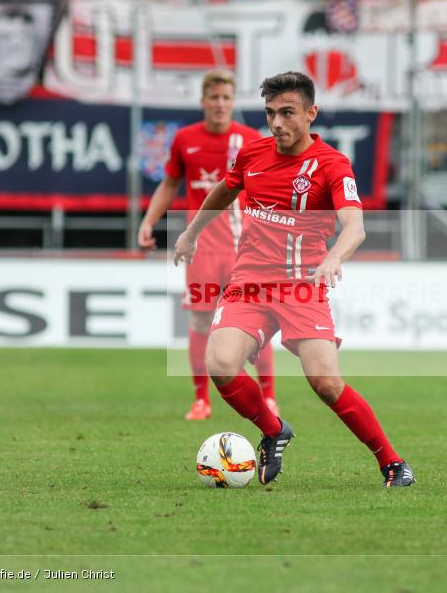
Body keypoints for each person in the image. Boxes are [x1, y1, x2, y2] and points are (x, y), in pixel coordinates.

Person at [173, 71, 415, 488]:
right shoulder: (252, 155)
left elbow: (354, 227)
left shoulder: (333, 165)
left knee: (325, 382)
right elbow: (223, 191)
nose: (277, 123)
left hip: (303, 284)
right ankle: (273, 430)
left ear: (311, 113)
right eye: (270, 113)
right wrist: (191, 232)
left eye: (287, 113)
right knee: (220, 362)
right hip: (249, 279)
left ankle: (392, 462)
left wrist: (334, 258)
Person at [139, 69, 277, 421]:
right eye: (213, 97)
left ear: (233, 102)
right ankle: (202, 400)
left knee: (255, 322)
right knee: (201, 323)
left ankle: (269, 396)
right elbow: (170, 184)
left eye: (226, 98)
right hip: (200, 249)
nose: (220, 104)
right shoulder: (185, 139)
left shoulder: (249, 140)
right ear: (203, 101)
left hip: (244, 250)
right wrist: (149, 221)